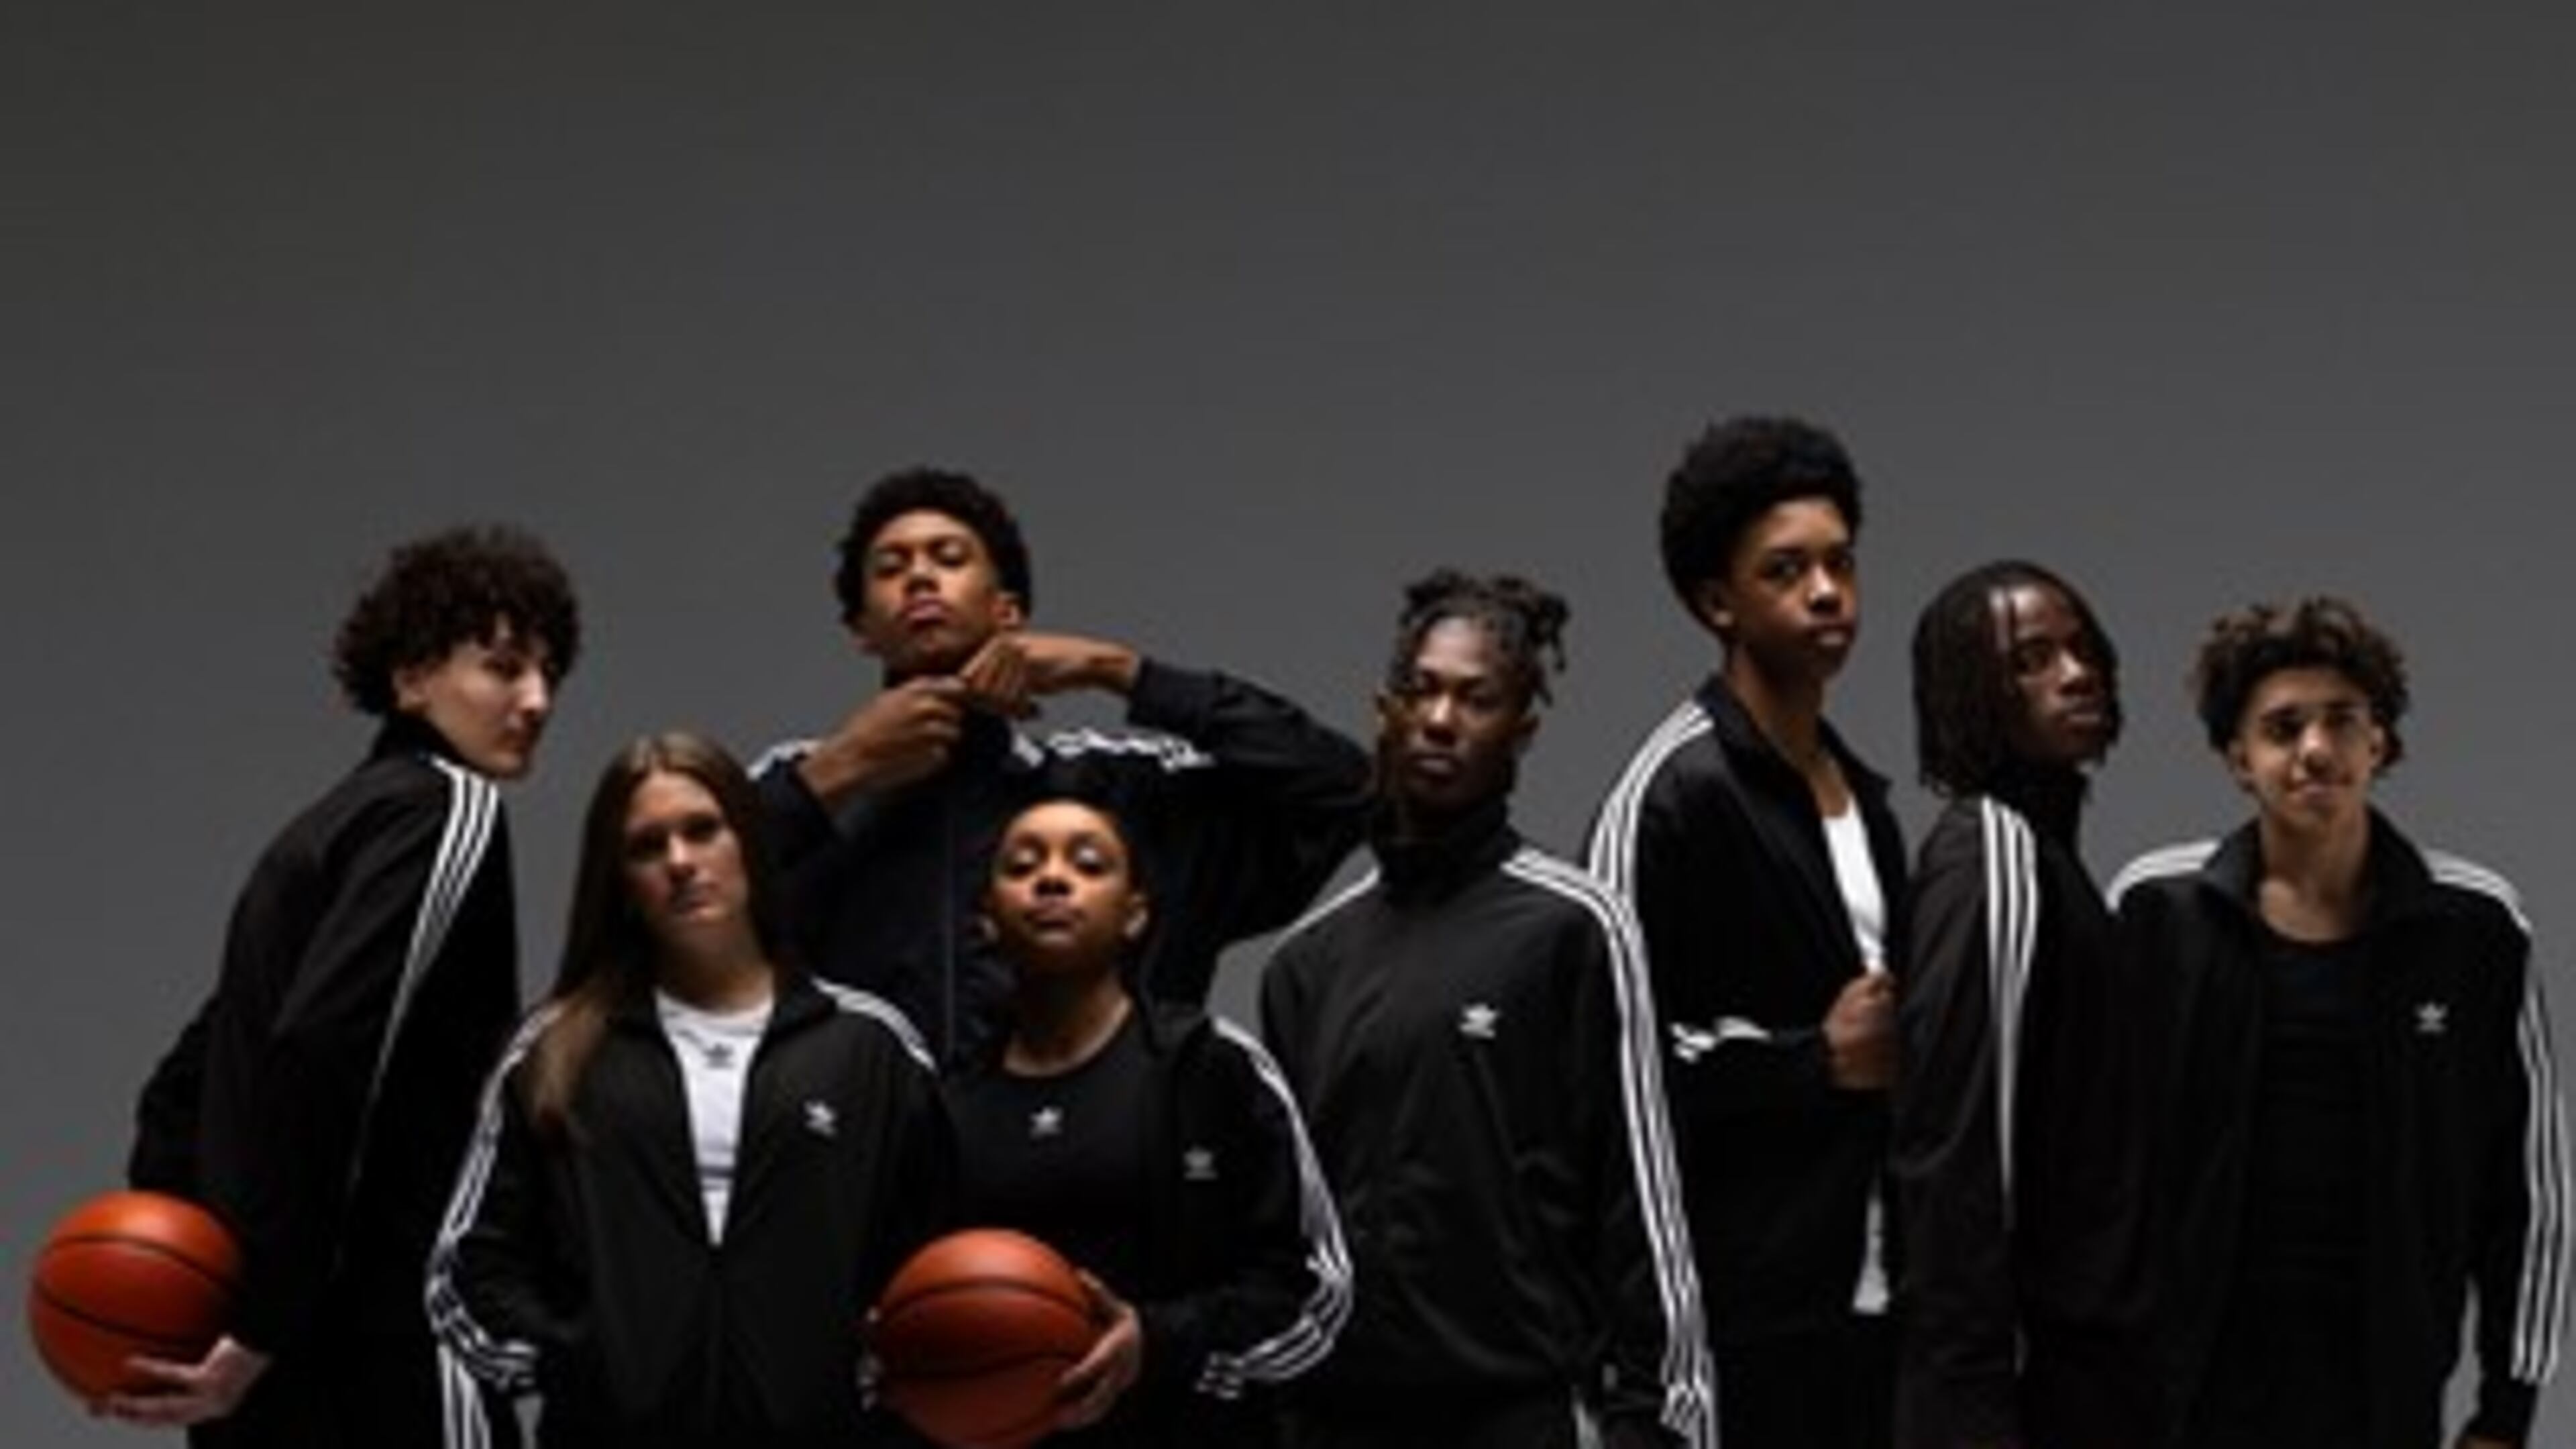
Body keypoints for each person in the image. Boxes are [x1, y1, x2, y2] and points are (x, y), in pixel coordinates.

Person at [115, 524, 580, 1446]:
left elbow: (180, 1093)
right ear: (411, 678)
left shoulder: (314, 838)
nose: (536, 700)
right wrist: (266, 1319)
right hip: (388, 1346)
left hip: (265, 1379)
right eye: (502, 667)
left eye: (549, 674)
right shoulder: (446, 805)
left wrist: (211, 1303)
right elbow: (324, 1045)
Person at [1260, 570, 1713, 1449]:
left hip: (1513, 1412)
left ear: (1523, 728)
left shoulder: (1574, 929)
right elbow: (1286, 1241)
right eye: (1422, 691)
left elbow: (1645, 1206)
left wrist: (1654, 1428)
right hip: (1336, 1421)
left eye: (1477, 699)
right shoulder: (1306, 964)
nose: (1440, 720)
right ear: (1385, 709)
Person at [2111, 596, 2568, 1448]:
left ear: (2380, 742)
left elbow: (2532, 1191)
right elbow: (2090, 1165)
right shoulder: (2155, 913)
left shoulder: (2473, 926)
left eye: (2341, 722)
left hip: (2381, 1389)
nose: (2314, 750)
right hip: (2184, 1391)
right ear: (2236, 758)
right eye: (2283, 728)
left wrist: (2507, 1410)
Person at [428, 732, 952, 1449]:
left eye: (703, 831)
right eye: (647, 847)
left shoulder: (868, 1045)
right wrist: (580, 1365)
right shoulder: (558, 1049)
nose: (680, 862)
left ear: (749, 843)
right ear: (621, 882)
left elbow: (941, 1251)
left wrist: (868, 1371)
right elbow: (468, 1269)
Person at [755, 466, 1371, 1069]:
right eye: (891, 568)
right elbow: (675, 909)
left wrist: (1120, 671)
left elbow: (1345, 788)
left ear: (1008, 610)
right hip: (870, 1162)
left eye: (947, 558)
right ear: (862, 628)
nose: (919, 577)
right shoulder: (807, 788)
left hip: (1112, 1157)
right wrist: (844, 765)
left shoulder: (1118, 790)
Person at [1585, 415, 1907, 1446]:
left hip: (1871, 1304)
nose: (1827, 592)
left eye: (1840, 563)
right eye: (1787, 570)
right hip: (1734, 1326)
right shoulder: (1672, 797)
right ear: (1717, 601)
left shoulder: (1866, 796)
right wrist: (1816, 1062)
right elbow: (1605, 1081)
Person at [944, 795, 1350, 1447]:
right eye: (1022, 865)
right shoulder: (947, 1100)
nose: (1052, 877)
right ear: (987, 917)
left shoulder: (1211, 1068)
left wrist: (1156, 1342)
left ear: (1135, 913)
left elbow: (1313, 1294)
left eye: (1088, 863)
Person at [1892, 560, 2152, 1448]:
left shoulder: (2048, 858)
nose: (2075, 673)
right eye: (2032, 660)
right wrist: (1970, 1408)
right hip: (2022, 1398)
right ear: (1973, 695)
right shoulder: (1992, 856)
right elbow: (1957, 1146)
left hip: (2088, 1382)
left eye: (2082, 649)